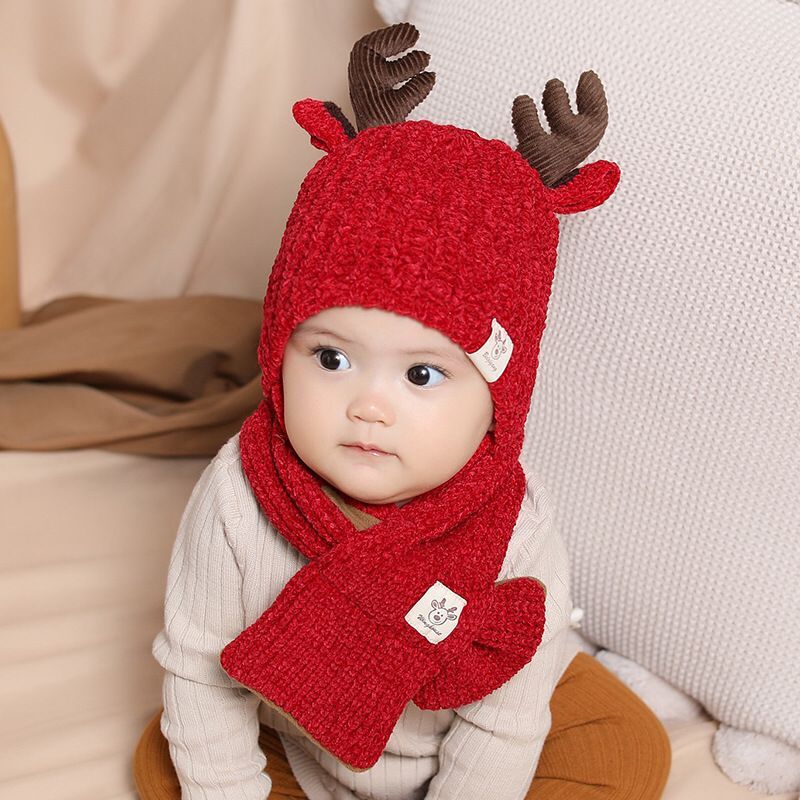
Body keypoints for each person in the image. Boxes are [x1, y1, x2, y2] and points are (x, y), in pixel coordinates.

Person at [143, 23, 671, 800]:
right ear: (278, 350)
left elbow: (503, 722)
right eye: (330, 358)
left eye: (423, 374)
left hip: (472, 734)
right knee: (172, 753)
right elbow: (196, 665)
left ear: (500, 396)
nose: (368, 405)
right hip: (300, 733)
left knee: (625, 749)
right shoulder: (240, 496)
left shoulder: (515, 531)